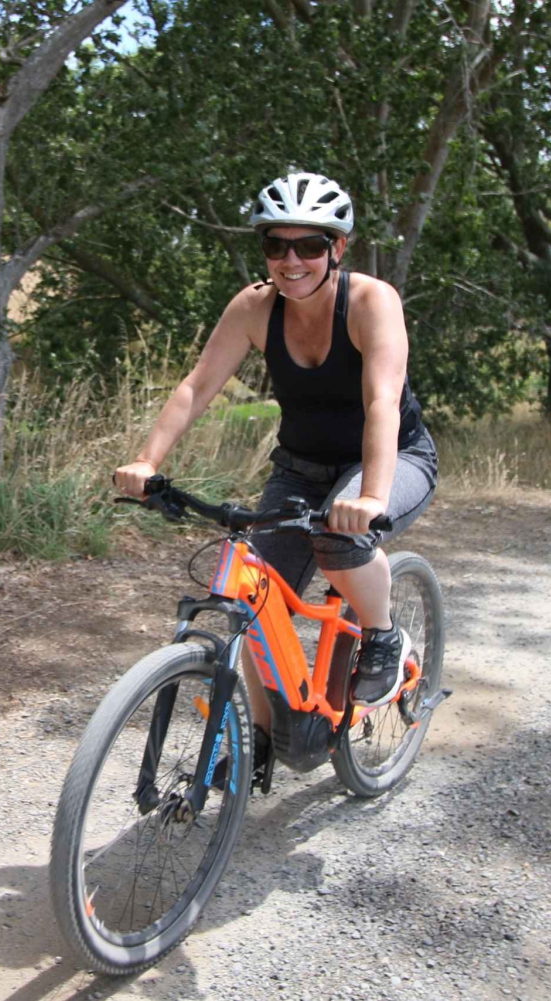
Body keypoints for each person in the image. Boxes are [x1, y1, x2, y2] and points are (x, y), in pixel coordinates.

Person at [113, 172, 437, 728]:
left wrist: (372, 496)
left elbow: (383, 402)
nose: (292, 260)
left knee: (341, 540)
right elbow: (196, 387)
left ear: (337, 249)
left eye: (309, 245)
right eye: (276, 245)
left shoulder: (370, 302)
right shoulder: (255, 308)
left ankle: (382, 636)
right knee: (256, 610)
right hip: (300, 470)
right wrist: (148, 461)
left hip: (393, 457)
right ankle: (269, 738)